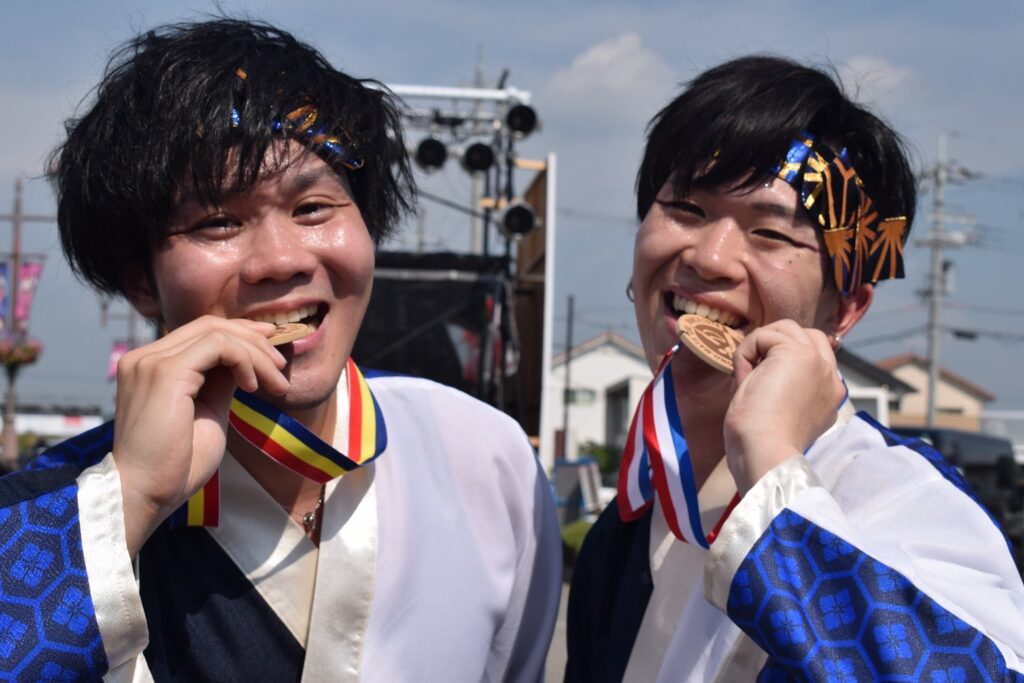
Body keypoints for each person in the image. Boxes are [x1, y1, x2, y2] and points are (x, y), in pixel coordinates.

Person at [0, 19, 561, 681]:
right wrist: (133, 499)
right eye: (218, 222)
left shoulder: (485, 459)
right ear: (139, 281)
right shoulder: (47, 515)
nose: (282, 260)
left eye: (314, 207)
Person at [565, 55, 1024, 681]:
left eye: (772, 234)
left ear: (846, 308)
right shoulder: (621, 537)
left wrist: (772, 467)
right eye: (687, 209)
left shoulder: (907, 507)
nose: (709, 257)